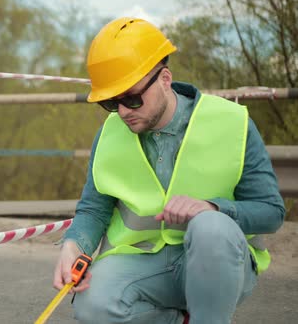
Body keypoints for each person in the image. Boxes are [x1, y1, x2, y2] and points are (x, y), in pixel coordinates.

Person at [53, 17, 285, 324]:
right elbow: (94, 209)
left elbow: (271, 212)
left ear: (165, 79)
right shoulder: (110, 135)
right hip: (144, 263)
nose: (123, 112)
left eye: (132, 98)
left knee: (210, 227)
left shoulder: (233, 123)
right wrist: (74, 245)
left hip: (220, 265)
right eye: (111, 103)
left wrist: (212, 208)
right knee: (91, 307)